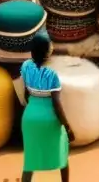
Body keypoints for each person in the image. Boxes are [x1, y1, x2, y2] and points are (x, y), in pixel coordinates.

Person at [19, 33, 74, 182]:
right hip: (49, 118)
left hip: (30, 116)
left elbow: (25, 92)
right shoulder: (52, 75)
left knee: (29, 160)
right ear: (48, 52)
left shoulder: (26, 66)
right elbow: (56, 104)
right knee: (62, 152)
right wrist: (68, 128)